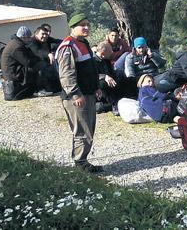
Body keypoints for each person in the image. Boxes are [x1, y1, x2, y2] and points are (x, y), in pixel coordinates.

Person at [55, 14, 103, 173]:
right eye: (83, 25)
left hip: (88, 93)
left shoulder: (83, 43)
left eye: (88, 24)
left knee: (88, 128)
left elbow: (91, 68)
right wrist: (75, 94)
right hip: (77, 97)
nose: (87, 28)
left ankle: (82, 160)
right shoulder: (68, 46)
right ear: (73, 27)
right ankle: (80, 164)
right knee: (82, 130)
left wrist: (96, 86)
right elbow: (66, 75)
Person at [0, 26, 41, 100]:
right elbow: (27, 62)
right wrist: (38, 59)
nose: (29, 39)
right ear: (23, 37)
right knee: (34, 68)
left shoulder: (15, 43)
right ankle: (38, 88)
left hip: (10, 73)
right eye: (28, 37)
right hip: (12, 76)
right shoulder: (17, 47)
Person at [28, 26, 61, 94]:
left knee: (54, 65)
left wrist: (68, 41)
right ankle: (40, 89)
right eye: (42, 34)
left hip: (44, 62)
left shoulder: (47, 39)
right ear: (36, 34)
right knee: (43, 66)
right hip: (31, 64)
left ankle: (57, 88)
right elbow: (37, 51)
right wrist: (48, 54)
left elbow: (57, 41)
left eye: (46, 34)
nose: (45, 36)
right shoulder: (31, 41)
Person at [94, 41, 119, 114]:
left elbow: (112, 73)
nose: (112, 53)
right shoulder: (92, 61)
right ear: (103, 54)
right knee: (103, 83)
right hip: (99, 86)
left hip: (111, 84)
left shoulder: (106, 60)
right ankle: (112, 104)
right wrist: (104, 76)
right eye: (110, 51)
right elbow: (91, 75)